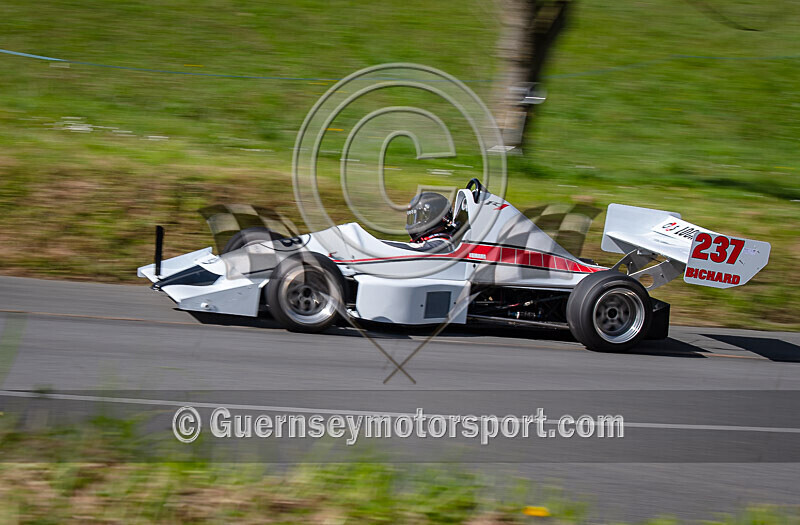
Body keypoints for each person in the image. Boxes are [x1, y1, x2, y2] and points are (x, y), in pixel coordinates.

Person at [384, 192, 455, 252]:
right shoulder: (427, 242)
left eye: (419, 217)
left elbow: (413, 249)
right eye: (413, 217)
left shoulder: (443, 243)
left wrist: (377, 244)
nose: (415, 222)